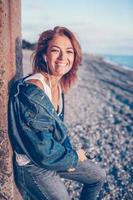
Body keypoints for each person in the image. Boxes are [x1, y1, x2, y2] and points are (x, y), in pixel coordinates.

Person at [8, 26, 106, 200]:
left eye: (69, 52)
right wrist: (73, 158)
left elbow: (58, 133)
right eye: (56, 50)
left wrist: (69, 156)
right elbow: (41, 151)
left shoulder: (58, 86)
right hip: (32, 165)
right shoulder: (34, 92)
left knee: (97, 177)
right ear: (45, 55)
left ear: (75, 57)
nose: (63, 58)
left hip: (52, 157)